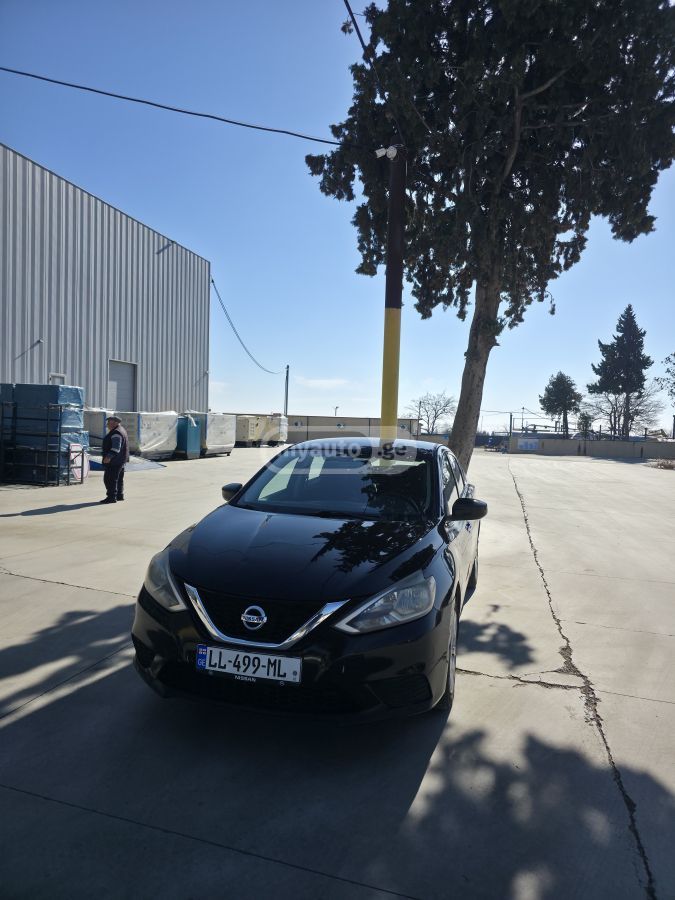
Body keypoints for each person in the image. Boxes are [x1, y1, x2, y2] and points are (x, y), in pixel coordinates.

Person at [100, 415, 129, 504]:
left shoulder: (116, 433)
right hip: (121, 459)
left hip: (114, 461)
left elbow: (116, 448)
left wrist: (108, 457)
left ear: (116, 423)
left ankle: (111, 497)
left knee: (109, 479)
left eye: (109, 422)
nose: (107, 424)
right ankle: (119, 495)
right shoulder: (121, 430)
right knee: (118, 478)